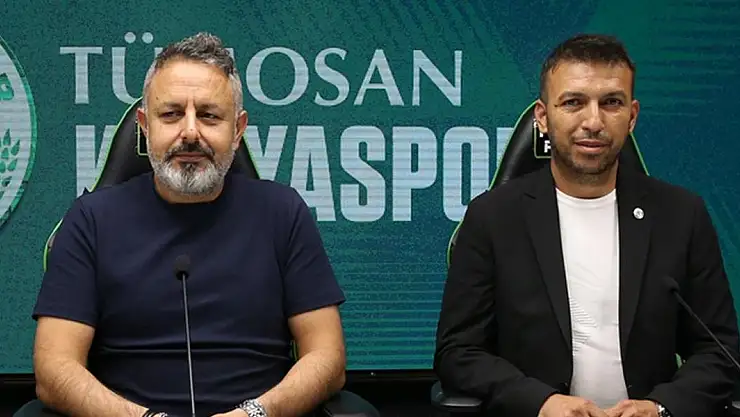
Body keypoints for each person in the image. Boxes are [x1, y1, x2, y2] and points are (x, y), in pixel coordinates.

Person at [30, 32, 346, 417]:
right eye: (171, 114)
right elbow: (54, 369)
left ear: (238, 130)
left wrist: (254, 414)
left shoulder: (284, 213)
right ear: (145, 126)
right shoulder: (90, 220)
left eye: (210, 115)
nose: (191, 132)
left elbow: (328, 358)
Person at [434, 33, 739, 417]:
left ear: (632, 116)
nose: (593, 122)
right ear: (543, 118)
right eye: (573, 102)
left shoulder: (681, 215)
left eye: (611, 103)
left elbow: (720, 350)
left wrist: (660, 407)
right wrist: (541, 402)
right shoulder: (493, 218)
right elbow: (457, 352)